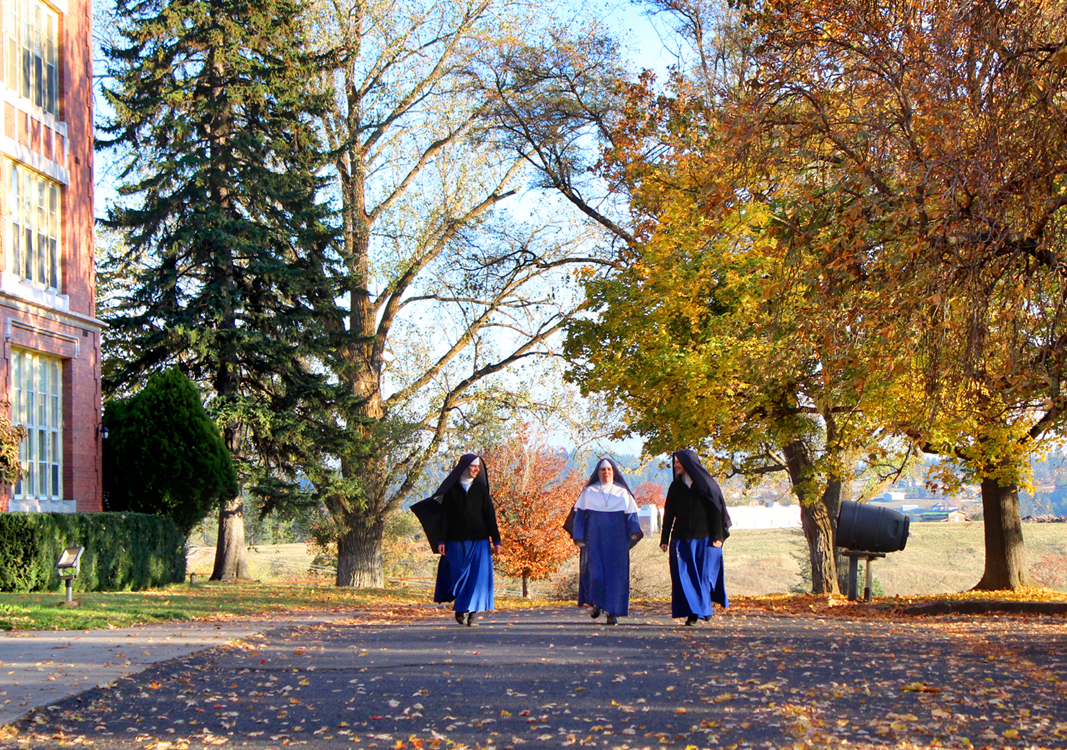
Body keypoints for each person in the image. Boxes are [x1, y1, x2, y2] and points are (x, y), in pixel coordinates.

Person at [659, 449, 730, 626]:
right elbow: (669, 514)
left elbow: (716, 512)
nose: (675, 465)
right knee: (684, 578)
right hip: (681, 539)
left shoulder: (705, 485)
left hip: (704, 539)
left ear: (688, 463)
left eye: (678, 462)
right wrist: (664, 539)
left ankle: (705, 609)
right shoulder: (675, 486)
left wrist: (718, 536)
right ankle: (692, 613)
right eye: (675, 462)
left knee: (703, 577)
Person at [569, 457, 642, 625]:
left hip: (617, 542)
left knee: (615, 577)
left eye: (609, 469)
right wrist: (578, 537)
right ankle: (597, 603)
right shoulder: (589, 492)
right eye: (603, 470)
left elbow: (632, 516)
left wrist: (633, 531)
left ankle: (612, 612)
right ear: (598, 472)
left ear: (613, 472)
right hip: (594, 541)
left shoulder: (622, 493)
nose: (606, 472)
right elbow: (579, 517)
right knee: (596, 575)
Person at [432, 454, 501, 626]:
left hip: (479, 540)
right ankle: (461, 607)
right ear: (464, 468)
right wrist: (441, 541)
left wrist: (496, 540)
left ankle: (472, 613)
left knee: (476, 577)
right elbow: (445, 518)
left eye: (478, 467)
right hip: (456, 540)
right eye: (473, 466)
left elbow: (489, 516)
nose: (477, 470)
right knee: (458, 575)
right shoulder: (451, 490)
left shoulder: (481, 489)